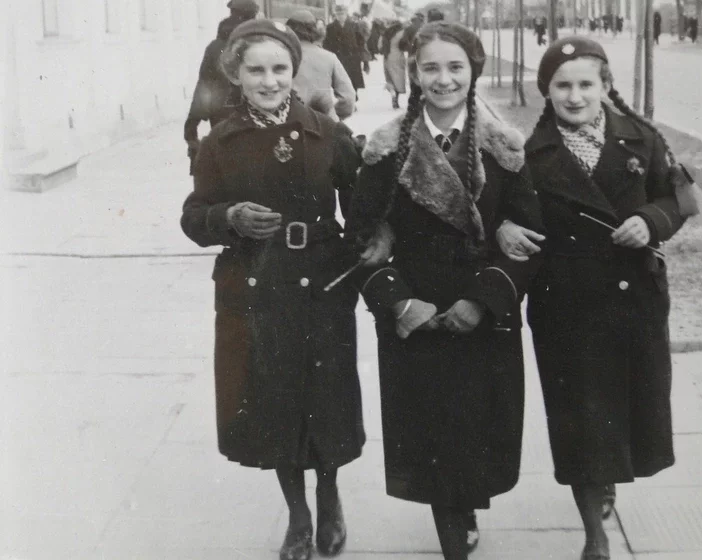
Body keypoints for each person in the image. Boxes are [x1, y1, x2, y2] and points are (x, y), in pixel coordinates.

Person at [495, 36, 701, 560]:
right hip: (566, 305)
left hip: (635, 301)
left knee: (630, 412)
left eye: (586, 84)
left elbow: (680, 198)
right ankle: (594, 533)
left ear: (606, 86)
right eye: (562, 85)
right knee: (580, 422)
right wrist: (502, 227)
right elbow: (500, 209)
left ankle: (607, 482)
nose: (574, 95)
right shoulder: (526, 153)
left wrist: (650, 221)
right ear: (547, 91)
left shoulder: (644, 138)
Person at [344, 21, 543, 560]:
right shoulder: (386, 151)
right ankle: (453, 537)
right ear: (414, 73)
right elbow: (360, 241)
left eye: (455, 67)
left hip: (482, 313)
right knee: (435, 440)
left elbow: (527, 241)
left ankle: (465, 510)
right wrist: (400, 301)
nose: (443, 79)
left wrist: (484, 298)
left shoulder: (504, 148)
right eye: (430, 67)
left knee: (477, 433)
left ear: (473, 71)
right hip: (421, 314)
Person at [180, 19, 363, 560]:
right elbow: (194, 216)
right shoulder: (220, 142)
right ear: (235, 74)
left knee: (326, 398)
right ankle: (299, 516)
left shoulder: (328, 133)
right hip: (257, 285)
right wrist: (228, 215)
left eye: (279, 68)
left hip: (322, 286)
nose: (269, 81)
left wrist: (360, 258)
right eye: (255, 70)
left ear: (294, 69)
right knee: (274, 396)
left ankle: (329, 497)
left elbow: (362, 211)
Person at [183, 0, 259, 173]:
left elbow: (204, 85)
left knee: (226, 162)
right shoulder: (258, 44)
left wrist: (192, 122)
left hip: (221, 115)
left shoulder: (214, 47)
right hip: (253, 113)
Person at [287, 9, 356, 121]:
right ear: (314, 31)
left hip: (290, 123)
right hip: (323, 125)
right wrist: (332, 115)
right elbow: (348, 98)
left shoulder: (281, 57)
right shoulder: (329, 57)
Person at [323, 4, 367, 97]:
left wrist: (361, 55)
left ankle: (353, 96)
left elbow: (361, 41)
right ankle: (342, 98)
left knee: (353, 78)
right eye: (338, 14)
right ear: (335, 15)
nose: (340, 16)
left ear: (346, 14)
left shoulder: (354, 26)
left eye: (342, 13)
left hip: (352, 57)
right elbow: (326, 43)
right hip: (338, 57)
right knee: (339, 79)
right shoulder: (330, 27)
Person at [381, 20, 407, 108]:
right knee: (398, 79)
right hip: (398, 56)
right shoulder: (402, 33)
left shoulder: (386, 33)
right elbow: (405, 45)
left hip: (387, 57)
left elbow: (379, 46)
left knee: (390, 79)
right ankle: (396, 98)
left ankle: (392, 95)